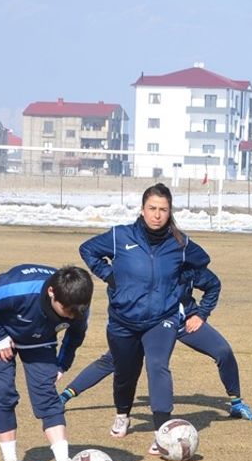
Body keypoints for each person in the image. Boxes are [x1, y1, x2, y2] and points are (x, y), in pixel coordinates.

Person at [79, 184, 211, 444]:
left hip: (162, 317)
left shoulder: (181, 243)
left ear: (170, 212)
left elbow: (202, 261)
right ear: (142, 210)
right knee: (125, 372)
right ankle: (122, 414)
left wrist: (180, 280)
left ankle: (162, 432)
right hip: (123, 319)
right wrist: (109, 275)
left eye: (163, 209)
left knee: (157, 365)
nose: (157, 214)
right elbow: (87, 249)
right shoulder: (120, 236)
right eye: (152, 208)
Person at [59, 267, 252, 420]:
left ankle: (236, 403)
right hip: (150, 326)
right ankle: (65, 396)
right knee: (111, 360)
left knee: (223, 350)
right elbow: (117, 290)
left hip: (183, 322)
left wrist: (201, 315)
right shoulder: (138, 265)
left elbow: (213, 284)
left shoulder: (185, 262)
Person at [0, 264, 92, 461]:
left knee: (47, 397)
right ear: (51, 293)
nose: (72, 315)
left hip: (40, 338)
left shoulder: (78, 303)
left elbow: (75, 336)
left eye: (77, 311)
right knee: (3, 392)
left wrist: (62, 365)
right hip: (0, 333)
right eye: (66, 310)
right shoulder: (18, 289)